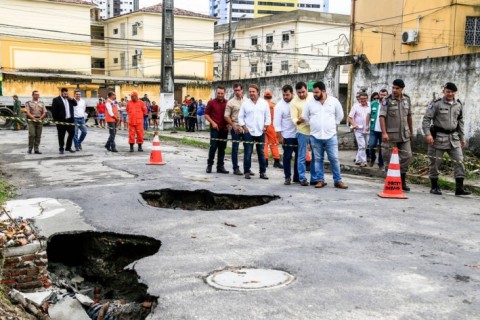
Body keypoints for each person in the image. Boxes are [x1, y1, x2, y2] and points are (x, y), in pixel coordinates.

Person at [422, 82, 471, 196]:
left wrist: (462, 137)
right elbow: (426, 120)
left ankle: (459, 188)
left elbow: (460, 122)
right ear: (443, 91)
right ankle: (434, 186)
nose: (450, 94)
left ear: (455, 92)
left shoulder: (458, 105)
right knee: (435, 163)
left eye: (452, 92)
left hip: (454, 139)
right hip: (438, 138)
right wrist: (428, 134)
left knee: (459, 162)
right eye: (448, 91)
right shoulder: (436, 104)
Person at [302, 81, 347, 189]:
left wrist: (331, 124)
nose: (315, 94)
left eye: (317, 92)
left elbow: (340, 116)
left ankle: (338, 180)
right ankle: (320, 180)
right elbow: (305, 116)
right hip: (315, 136)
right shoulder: (310, 103)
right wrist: (313, 124)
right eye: (314, 92)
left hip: (330, 136)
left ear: (323, 91)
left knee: (334, 158)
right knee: (317, 159)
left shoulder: (334, 101)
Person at [380, 79, 413, 191]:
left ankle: (402, 181)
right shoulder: (386, 100)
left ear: (402, 89)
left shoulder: (407, 99)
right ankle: (390, 182)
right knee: (389, 159)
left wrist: (411, 131)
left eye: (397, 88)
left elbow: (409, 116)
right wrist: (384, 133)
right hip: (391, 135)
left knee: (408, 156)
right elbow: (382, 117)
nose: (394, 90)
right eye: (393, 88)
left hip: (404, 134)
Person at [238, 84, 270, 180]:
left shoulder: (264, 103)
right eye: (250, 91)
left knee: (261, 152)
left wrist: (266, 126)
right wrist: (244, 127)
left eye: (253, 91)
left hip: (261, 131)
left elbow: (268, 117)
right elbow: (240, 117)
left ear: (258, 92)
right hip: (248, 132)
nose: (251, 93)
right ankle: (247, 172)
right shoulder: (245, 104)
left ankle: (263, 172)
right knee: (248, 152)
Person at [291, 81, 316, 186]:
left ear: (306, 89)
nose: (301, 94)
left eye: (303, 92)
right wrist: (298, 121)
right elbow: (293, 118)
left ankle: (315, 178)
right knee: (301, 156)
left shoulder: (313, 97)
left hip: (315, 131)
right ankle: (302, 178)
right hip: (302, 131)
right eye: (299, 93)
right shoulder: (294, 102)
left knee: (316, 155)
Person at [274, 85, 298, 185]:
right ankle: (287, 177)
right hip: (286, 136)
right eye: (283, 95)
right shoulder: (279, 105)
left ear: (292, 93)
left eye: (287, 95)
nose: (285, 97)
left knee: (299, 156)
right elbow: (277, 122)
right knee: (287, 157)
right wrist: (280, 136)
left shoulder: (297, 102)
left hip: (298, 134)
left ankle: (297, 177)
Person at [224, 83, 247, 176]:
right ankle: (235, 168)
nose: (237, 92)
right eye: (235, 90)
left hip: (245, 127)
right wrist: (233, 125)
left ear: (242, 90)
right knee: (235, 148)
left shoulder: (247, 101)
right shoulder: (230, 102)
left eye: (238, 90)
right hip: (236, 127)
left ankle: (247, 168)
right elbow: (226, 116)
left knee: (248, 148)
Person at [348, 92, 371, 167]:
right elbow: (350, 117)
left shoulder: (370, 105)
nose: (362, 100)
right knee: (361, 145)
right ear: (359, 99)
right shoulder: (356, 106)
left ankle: (358, 160)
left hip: (368, 129)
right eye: (361, 99)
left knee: (366, 145)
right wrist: (354, 124)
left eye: (364, 99)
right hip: (358, 129)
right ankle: (363, 161)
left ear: (367, 99)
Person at [51, 88, 77, 154]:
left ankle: (68, 147)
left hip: (70, 120)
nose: (66, 95)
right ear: (61, 93)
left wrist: (71, 98)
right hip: (61, 121)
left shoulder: (69, 99)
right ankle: (61, 148)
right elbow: (54, 111)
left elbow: (75, 104)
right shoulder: (56, 100)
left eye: (67, 93)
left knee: (72, 133)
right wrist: (56, 121)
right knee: (61, 135)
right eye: (65, 94)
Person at [366, 89, 387, 169]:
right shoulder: (373, 103)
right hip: (373, 129)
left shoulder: (388, 104)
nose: (383, 96)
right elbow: (368, 115)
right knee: (371, 145)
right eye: (381, 95)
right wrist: (367, 125)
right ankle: (373, 158)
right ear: (379, 95)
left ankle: (380, 163)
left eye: (384, 95)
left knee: (382, 147)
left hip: (383, 130)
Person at [263, 89, 283, 169]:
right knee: (274, 144)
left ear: (264, 97)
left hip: (264, 126)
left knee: (264, 145)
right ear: (271, 97)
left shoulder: (262, 104)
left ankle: (265, 162)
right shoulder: (274, 105)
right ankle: (276, 161)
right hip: (272, 126)